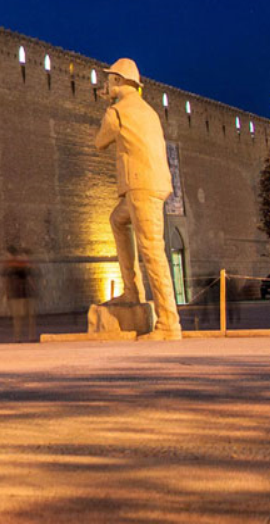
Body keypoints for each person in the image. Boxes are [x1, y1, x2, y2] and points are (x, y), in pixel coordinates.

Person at [95, 58, 182, 341]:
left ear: (119, 82)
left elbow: (100, 142)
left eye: (108, 81)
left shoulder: (117, 112)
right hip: (154, 184)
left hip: (140, 186)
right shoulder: (148, 111)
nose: (105, 85)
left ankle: (168, 323)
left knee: (152, 251)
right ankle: (132, 292)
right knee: (117, 221)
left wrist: (107, 105)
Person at [2, 245, 37, 342]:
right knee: (20, 317)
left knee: (23, 316)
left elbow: (28, 278)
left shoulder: (20, 265)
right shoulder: (12, 265)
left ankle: (24, 337)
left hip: (21, 294)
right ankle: (20, 337)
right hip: (18, 293)